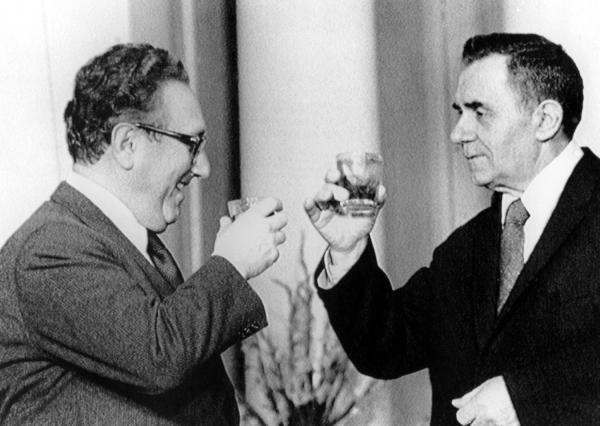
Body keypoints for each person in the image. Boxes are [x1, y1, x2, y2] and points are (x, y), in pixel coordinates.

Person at [305, 32, 600, 425]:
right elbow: (385, 347)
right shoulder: (464, 249)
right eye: (460, 112)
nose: (458, 133)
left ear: (545, 120)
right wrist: (348, 250)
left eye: (480, 112)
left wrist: (527, 399)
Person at [0, 43, 287, 424]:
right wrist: (232, 263)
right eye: (192, 144)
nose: (203, 168)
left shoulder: (124, 243)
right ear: (127, 145)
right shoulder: (48, 250)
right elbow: (158, 356)